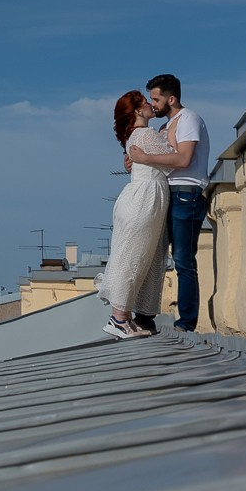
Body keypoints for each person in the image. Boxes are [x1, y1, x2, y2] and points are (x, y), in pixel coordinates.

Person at [125, 73, 210, 331]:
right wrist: (132, 160)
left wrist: (145, 159)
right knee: (155, 254)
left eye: (156, 99)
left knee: (183, 259)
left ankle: (186, 322)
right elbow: (153, 159)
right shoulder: (164, 127)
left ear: (171, 99)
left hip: (187, 194)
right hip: (168, 194)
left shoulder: (189, 120)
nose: (153, 104)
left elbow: (183, 160)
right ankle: (144, 316)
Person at [98, 90, 172, 340]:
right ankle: (118, 318)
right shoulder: (146, 134)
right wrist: (166, 135)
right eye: (145, 103)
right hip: (144, 199)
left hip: (140, 197)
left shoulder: (133, 136)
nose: (151, 105)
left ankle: (123, 316)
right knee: (133, 256)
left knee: (134, 255)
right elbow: (174, 159)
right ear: (139, 111)